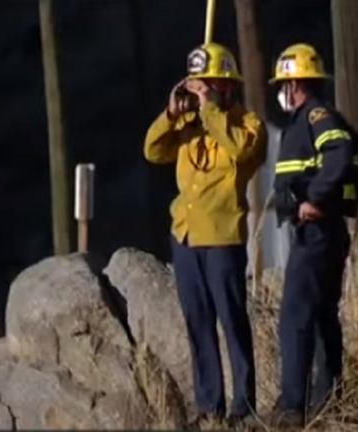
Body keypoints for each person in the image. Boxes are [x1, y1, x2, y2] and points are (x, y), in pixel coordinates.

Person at [142, 42, 267, 427]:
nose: (203, 92)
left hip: (223, 238)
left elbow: (241, 152)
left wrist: (211, 108)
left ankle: (243, 407)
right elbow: (153, 151)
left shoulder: (248, 125)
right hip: (186, 237)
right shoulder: (188, 124)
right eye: (198, 85)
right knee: (197, 323)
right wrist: (171, 113)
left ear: (228, 85)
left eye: (210, 84)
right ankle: (209, 405)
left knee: (232, 320)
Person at [254, 43, 358, 428]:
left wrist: (316, 199)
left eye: (283, 84)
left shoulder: (317, 116)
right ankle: (328, 401)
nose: (280, 92)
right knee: (322, 317)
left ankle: (293, 406)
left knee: (295, 315)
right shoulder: (306, 120)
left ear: (295, 84)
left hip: (317, 232)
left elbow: (340, 152)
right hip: (323, 233)